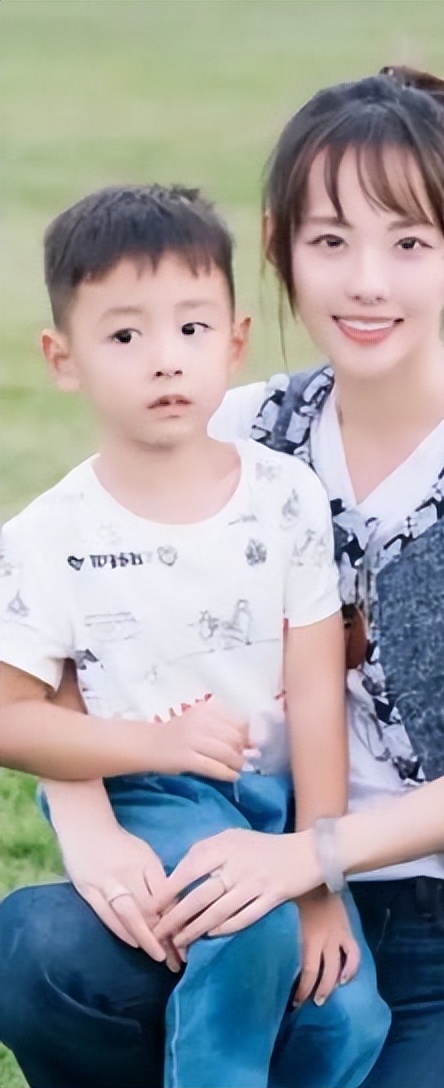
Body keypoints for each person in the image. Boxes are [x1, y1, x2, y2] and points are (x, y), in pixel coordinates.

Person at [0, 66, 444, 1088]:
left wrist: (314, 861)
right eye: (330, 242)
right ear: (278, 246)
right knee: (41, 947)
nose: (367, 281)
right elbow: (62, 616)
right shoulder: (232, 425)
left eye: (408, 243)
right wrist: (89, 825)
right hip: (242, 855)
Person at [0, 182, 390, 1088]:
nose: (165, 361)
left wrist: (319, 877)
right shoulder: (48, 537)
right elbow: (11, 716)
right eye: (125, 337)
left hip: (277, 801)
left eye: (191, 328)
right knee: (244, 916)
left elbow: (317, 691)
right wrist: (155, 744)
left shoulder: (285, 497)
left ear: (235, 342)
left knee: (349, 1014)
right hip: (151, 792)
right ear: (63, 357)